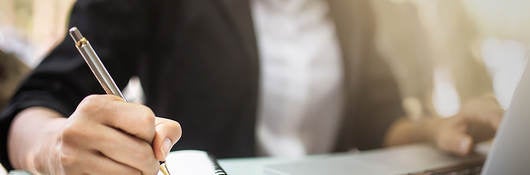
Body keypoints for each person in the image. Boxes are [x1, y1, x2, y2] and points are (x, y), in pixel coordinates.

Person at [0, 0, 502, 174]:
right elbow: (32, 104)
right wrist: (53, 148)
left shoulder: (354, 8)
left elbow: (376, 118)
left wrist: (437, 130)